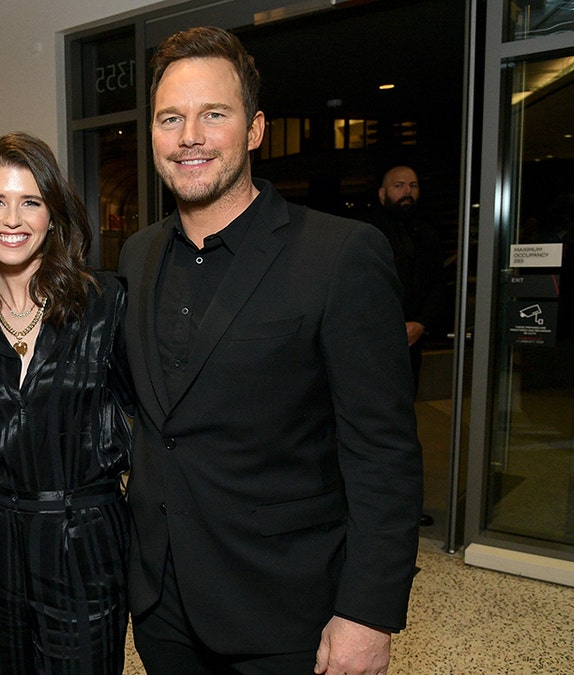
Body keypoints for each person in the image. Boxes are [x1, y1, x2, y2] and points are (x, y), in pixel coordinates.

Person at [117, 26, 423, 674]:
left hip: (286, 617)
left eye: (213, 114)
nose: (189, 135)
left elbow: (383, 453)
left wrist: (368, 612)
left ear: (254, 130)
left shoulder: (340, 255)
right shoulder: (138, 255)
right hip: (162, 609)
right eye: (171, 118)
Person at [0, 133, 132, 674]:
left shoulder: (107, 304)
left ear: (53, 215)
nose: (13, 218)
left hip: (84, 536)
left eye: (31, 201)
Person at [370, 165, 447, 389]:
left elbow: (437, 284)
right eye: (399, 185)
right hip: (372, 342)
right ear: (382, 194)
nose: (407, 191)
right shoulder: (365, 234)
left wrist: (421, 323)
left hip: (413, 342)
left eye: (413, 186)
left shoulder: (427, 235)